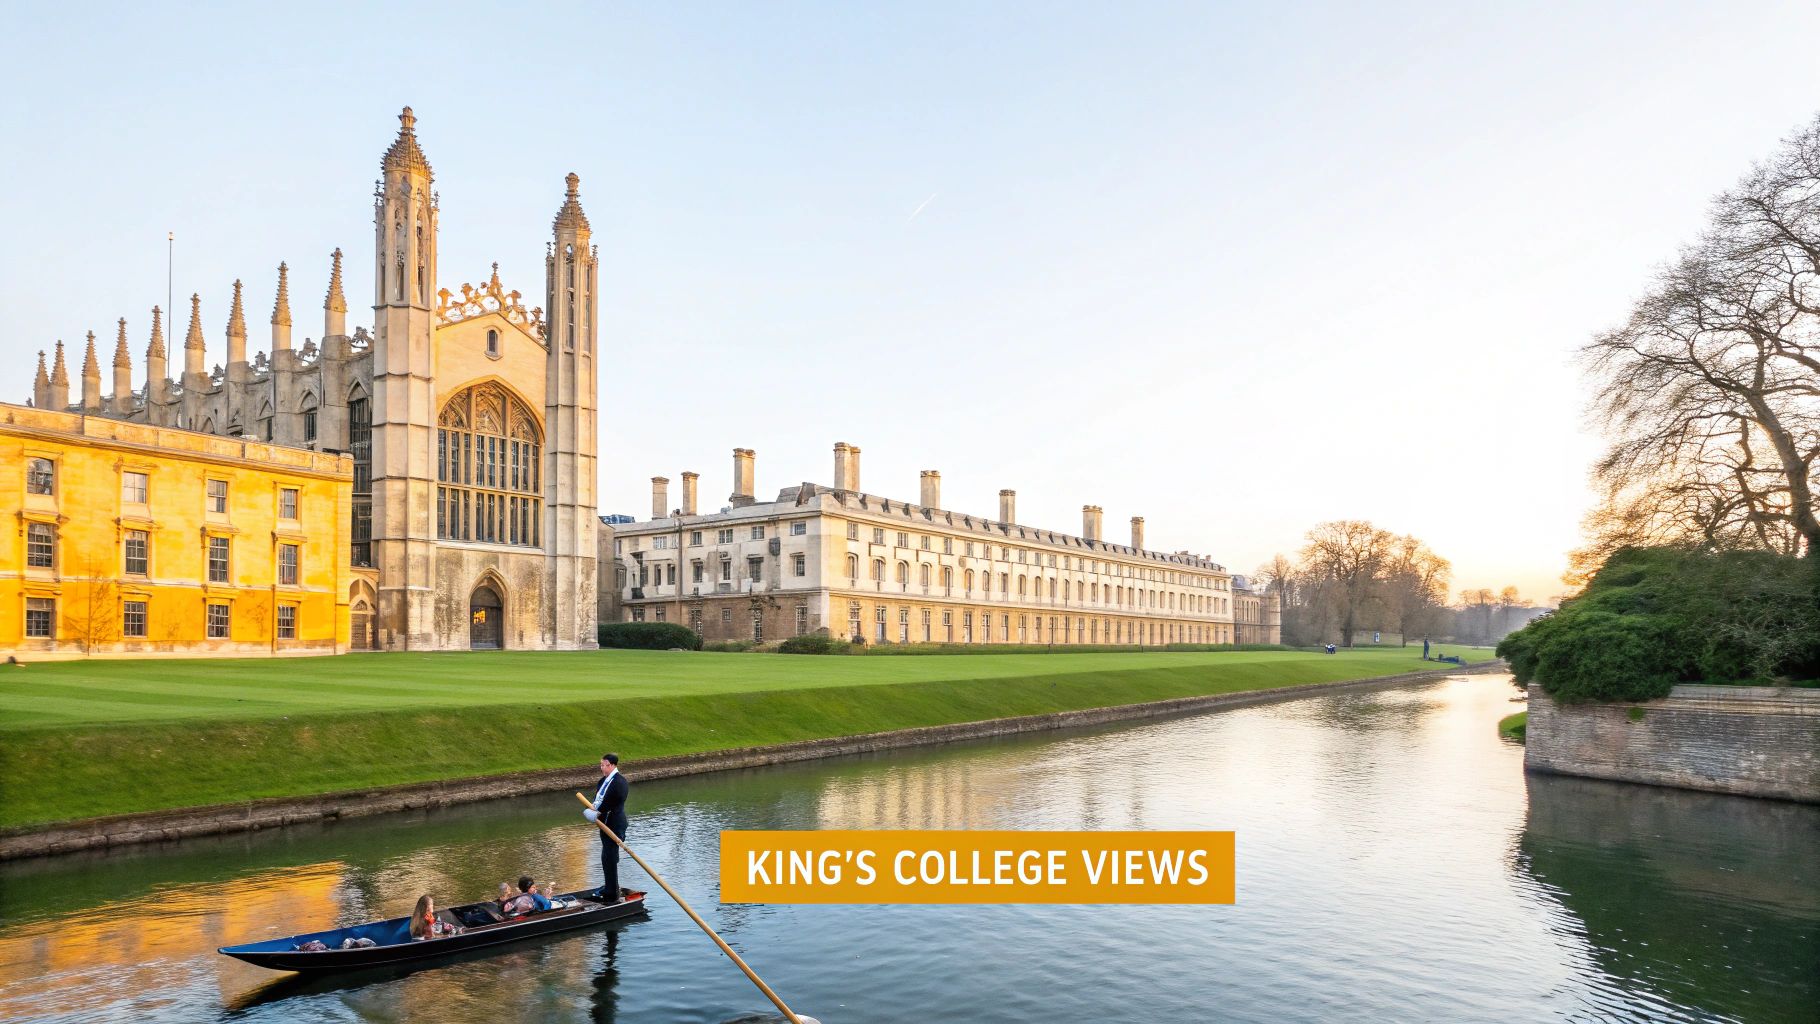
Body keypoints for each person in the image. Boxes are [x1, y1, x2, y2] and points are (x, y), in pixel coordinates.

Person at [583, 752, 630, 902]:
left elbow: (615, 801)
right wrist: (594, 810)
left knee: (609, 857)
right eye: (601, 765)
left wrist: (598, 812)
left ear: (613, 765)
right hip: (604, 823)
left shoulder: (620, 782)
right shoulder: (603, 781)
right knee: (606, 858)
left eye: (605, 765)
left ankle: (611, 892)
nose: (602, 768)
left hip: (615, 824)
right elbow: (598, 799)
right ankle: (611, 887)